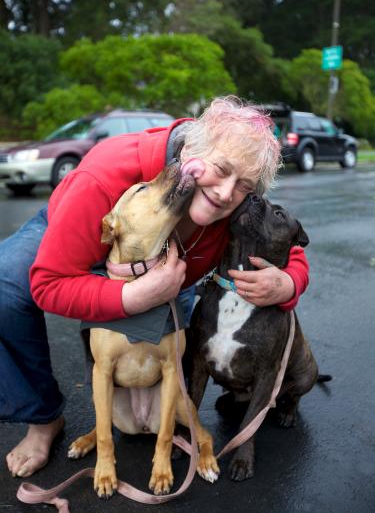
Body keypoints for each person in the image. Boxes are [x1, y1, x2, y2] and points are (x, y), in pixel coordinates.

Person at [0, 96, 308, 478]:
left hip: (168, 266)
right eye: (220, 170)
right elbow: (49, 284)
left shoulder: (230, 192)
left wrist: (290, 280)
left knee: (153, 356)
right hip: (92, 232)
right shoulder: (106, 176)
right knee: (6, 286)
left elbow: (280, 233)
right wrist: (131, 296)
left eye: (242, 185)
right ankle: (42, 417)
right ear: (190, 150)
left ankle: (155, 415)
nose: (226, 193)